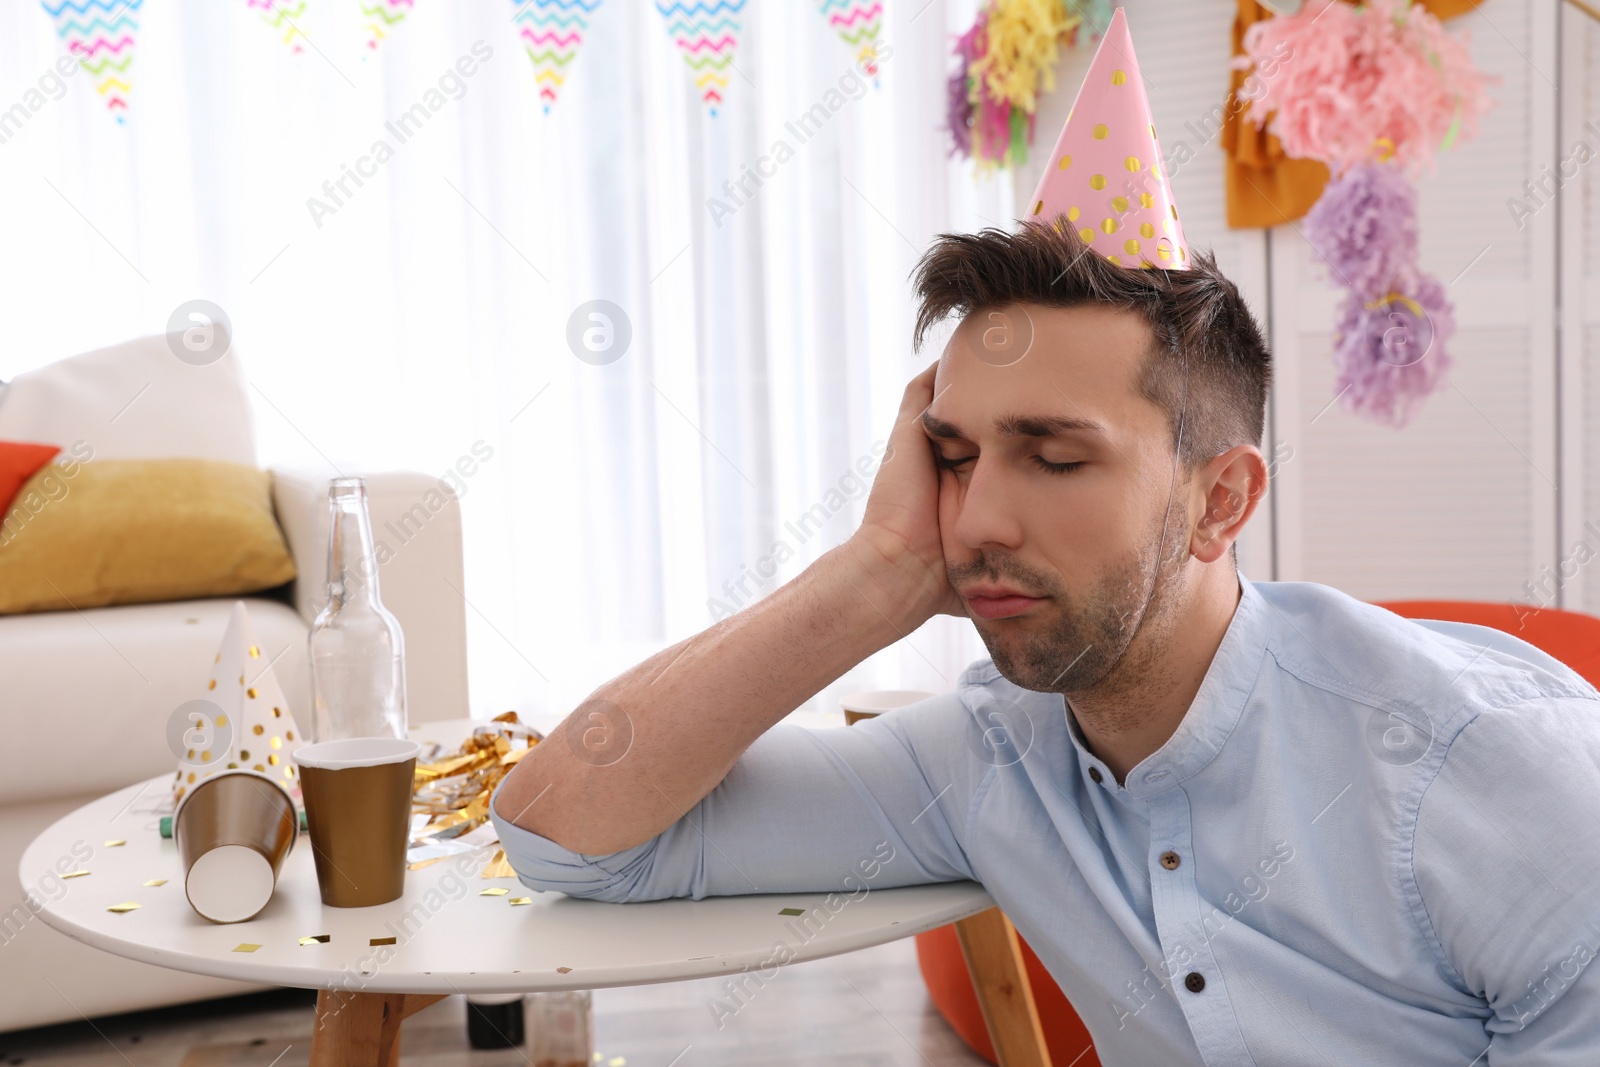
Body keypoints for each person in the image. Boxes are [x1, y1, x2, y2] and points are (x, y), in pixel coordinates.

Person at [493, 9, 1600, 1061]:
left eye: (1056, 456)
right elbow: (567, 834)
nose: (974, 519)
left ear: (1220, 500)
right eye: (956, 455)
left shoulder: (1499, 779)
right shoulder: (993, 754)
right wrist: (873, 572)